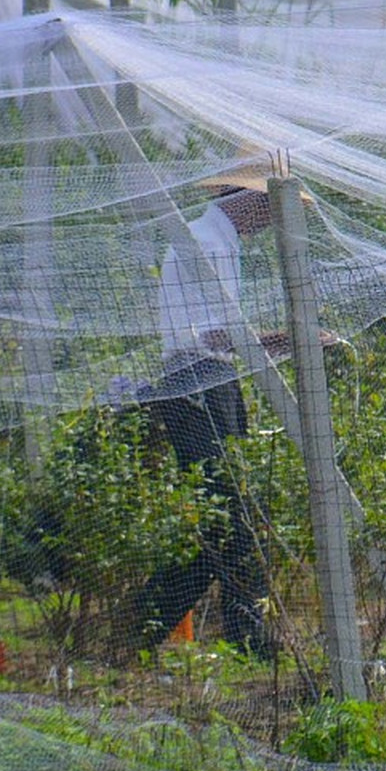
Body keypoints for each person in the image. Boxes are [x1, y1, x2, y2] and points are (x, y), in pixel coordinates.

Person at [134, 184, 283, 661]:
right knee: (228, 517)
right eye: (271, 207)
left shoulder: (219, 241)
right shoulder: (206, 242)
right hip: (196, 385)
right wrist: (289, 338)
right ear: (250, 199)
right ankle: (144, 625)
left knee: (233, 516)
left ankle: (148, 626)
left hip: (212, 382)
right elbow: (212, 336)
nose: (271, 221)